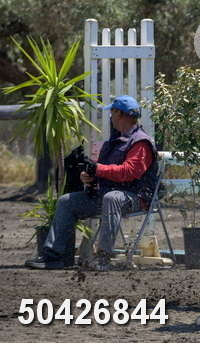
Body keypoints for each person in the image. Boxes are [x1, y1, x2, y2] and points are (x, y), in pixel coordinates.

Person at [25, 95, 158, 271]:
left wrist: (98, 169)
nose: (110, 117)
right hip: (106, 195)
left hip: (135, 198)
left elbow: (129, 172)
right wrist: (89, 176)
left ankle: (103, 258)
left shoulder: (141, 143)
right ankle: (55, 257)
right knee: (66, 202)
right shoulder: (113, 142)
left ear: (120, 114)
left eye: (112, 112)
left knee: (112, 198)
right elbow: (103, 171)